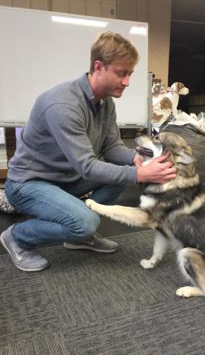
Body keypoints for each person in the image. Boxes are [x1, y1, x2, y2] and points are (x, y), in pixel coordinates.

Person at [0, 32, 176, 272]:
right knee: (85, 221)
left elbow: (111, 147)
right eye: (121, 73)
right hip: (28, 184)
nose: (127, 82)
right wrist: (140, 175)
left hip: (66, 178)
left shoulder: (106, 102)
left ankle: (78, 236)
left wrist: (135, 160)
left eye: (130, 74)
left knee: (121, 176)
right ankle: (17, 237)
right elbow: (88, 166)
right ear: (98, 66)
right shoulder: (63, 105)